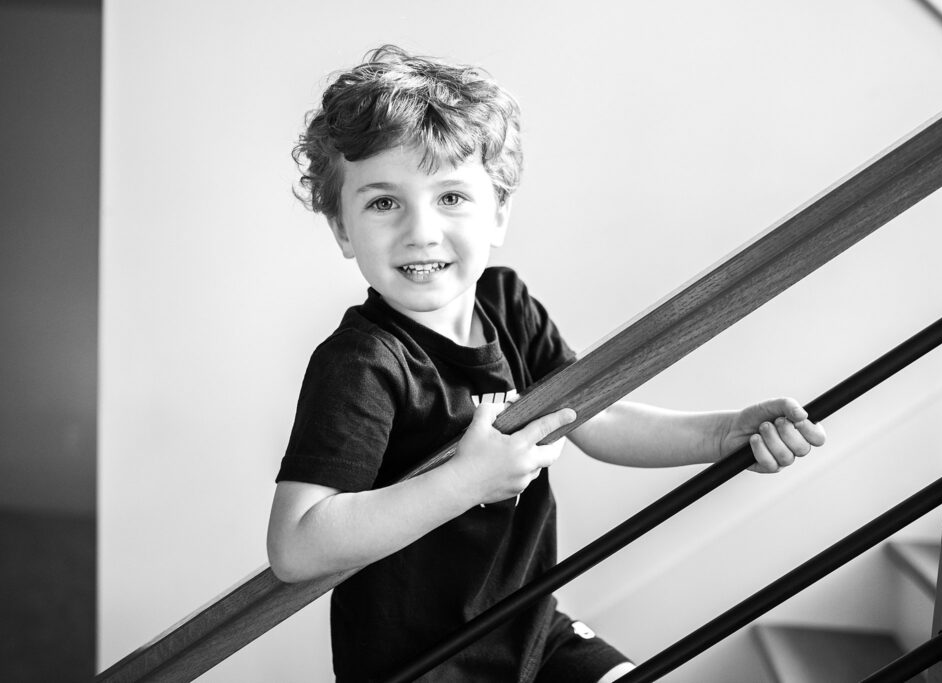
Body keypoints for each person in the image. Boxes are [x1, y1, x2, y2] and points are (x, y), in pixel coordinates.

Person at [267, 45, 827, 683]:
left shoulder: (507, 304)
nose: (421, 231)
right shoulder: (362, 362)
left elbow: (594, 419)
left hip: (531, 630)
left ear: (498, 212)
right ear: (342, 228)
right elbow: (296, 544)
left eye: (451, 197)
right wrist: (463, 484)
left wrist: (719, 435)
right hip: (423, 669)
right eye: (383, 203)